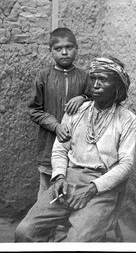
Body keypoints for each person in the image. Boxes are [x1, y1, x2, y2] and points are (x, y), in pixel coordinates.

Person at [15, 56, 136, 242]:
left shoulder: (127, 120)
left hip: (100, 190)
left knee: (76, 242)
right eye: (93, 78)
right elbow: (60, 149)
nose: (95, 85)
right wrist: (58, 177)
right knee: (24, 231)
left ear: (117, 86)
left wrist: (92, 189)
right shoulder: (77, 111)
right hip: (67, 182)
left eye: (103, 80)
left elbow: (126, 165)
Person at [28, 27, 89, 198]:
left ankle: (64, 223)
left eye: (69, 47)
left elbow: (96, 106)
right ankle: (42, 223)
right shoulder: (43, 77)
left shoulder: (85, 77)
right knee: (46, 191)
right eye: (58, 48)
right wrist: (55, 126)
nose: (64, 52)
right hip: (49, 143)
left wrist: (83, 97)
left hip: (76, 146)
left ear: (77, 48)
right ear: (50, 51)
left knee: (73, 190)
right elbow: (34, 110)